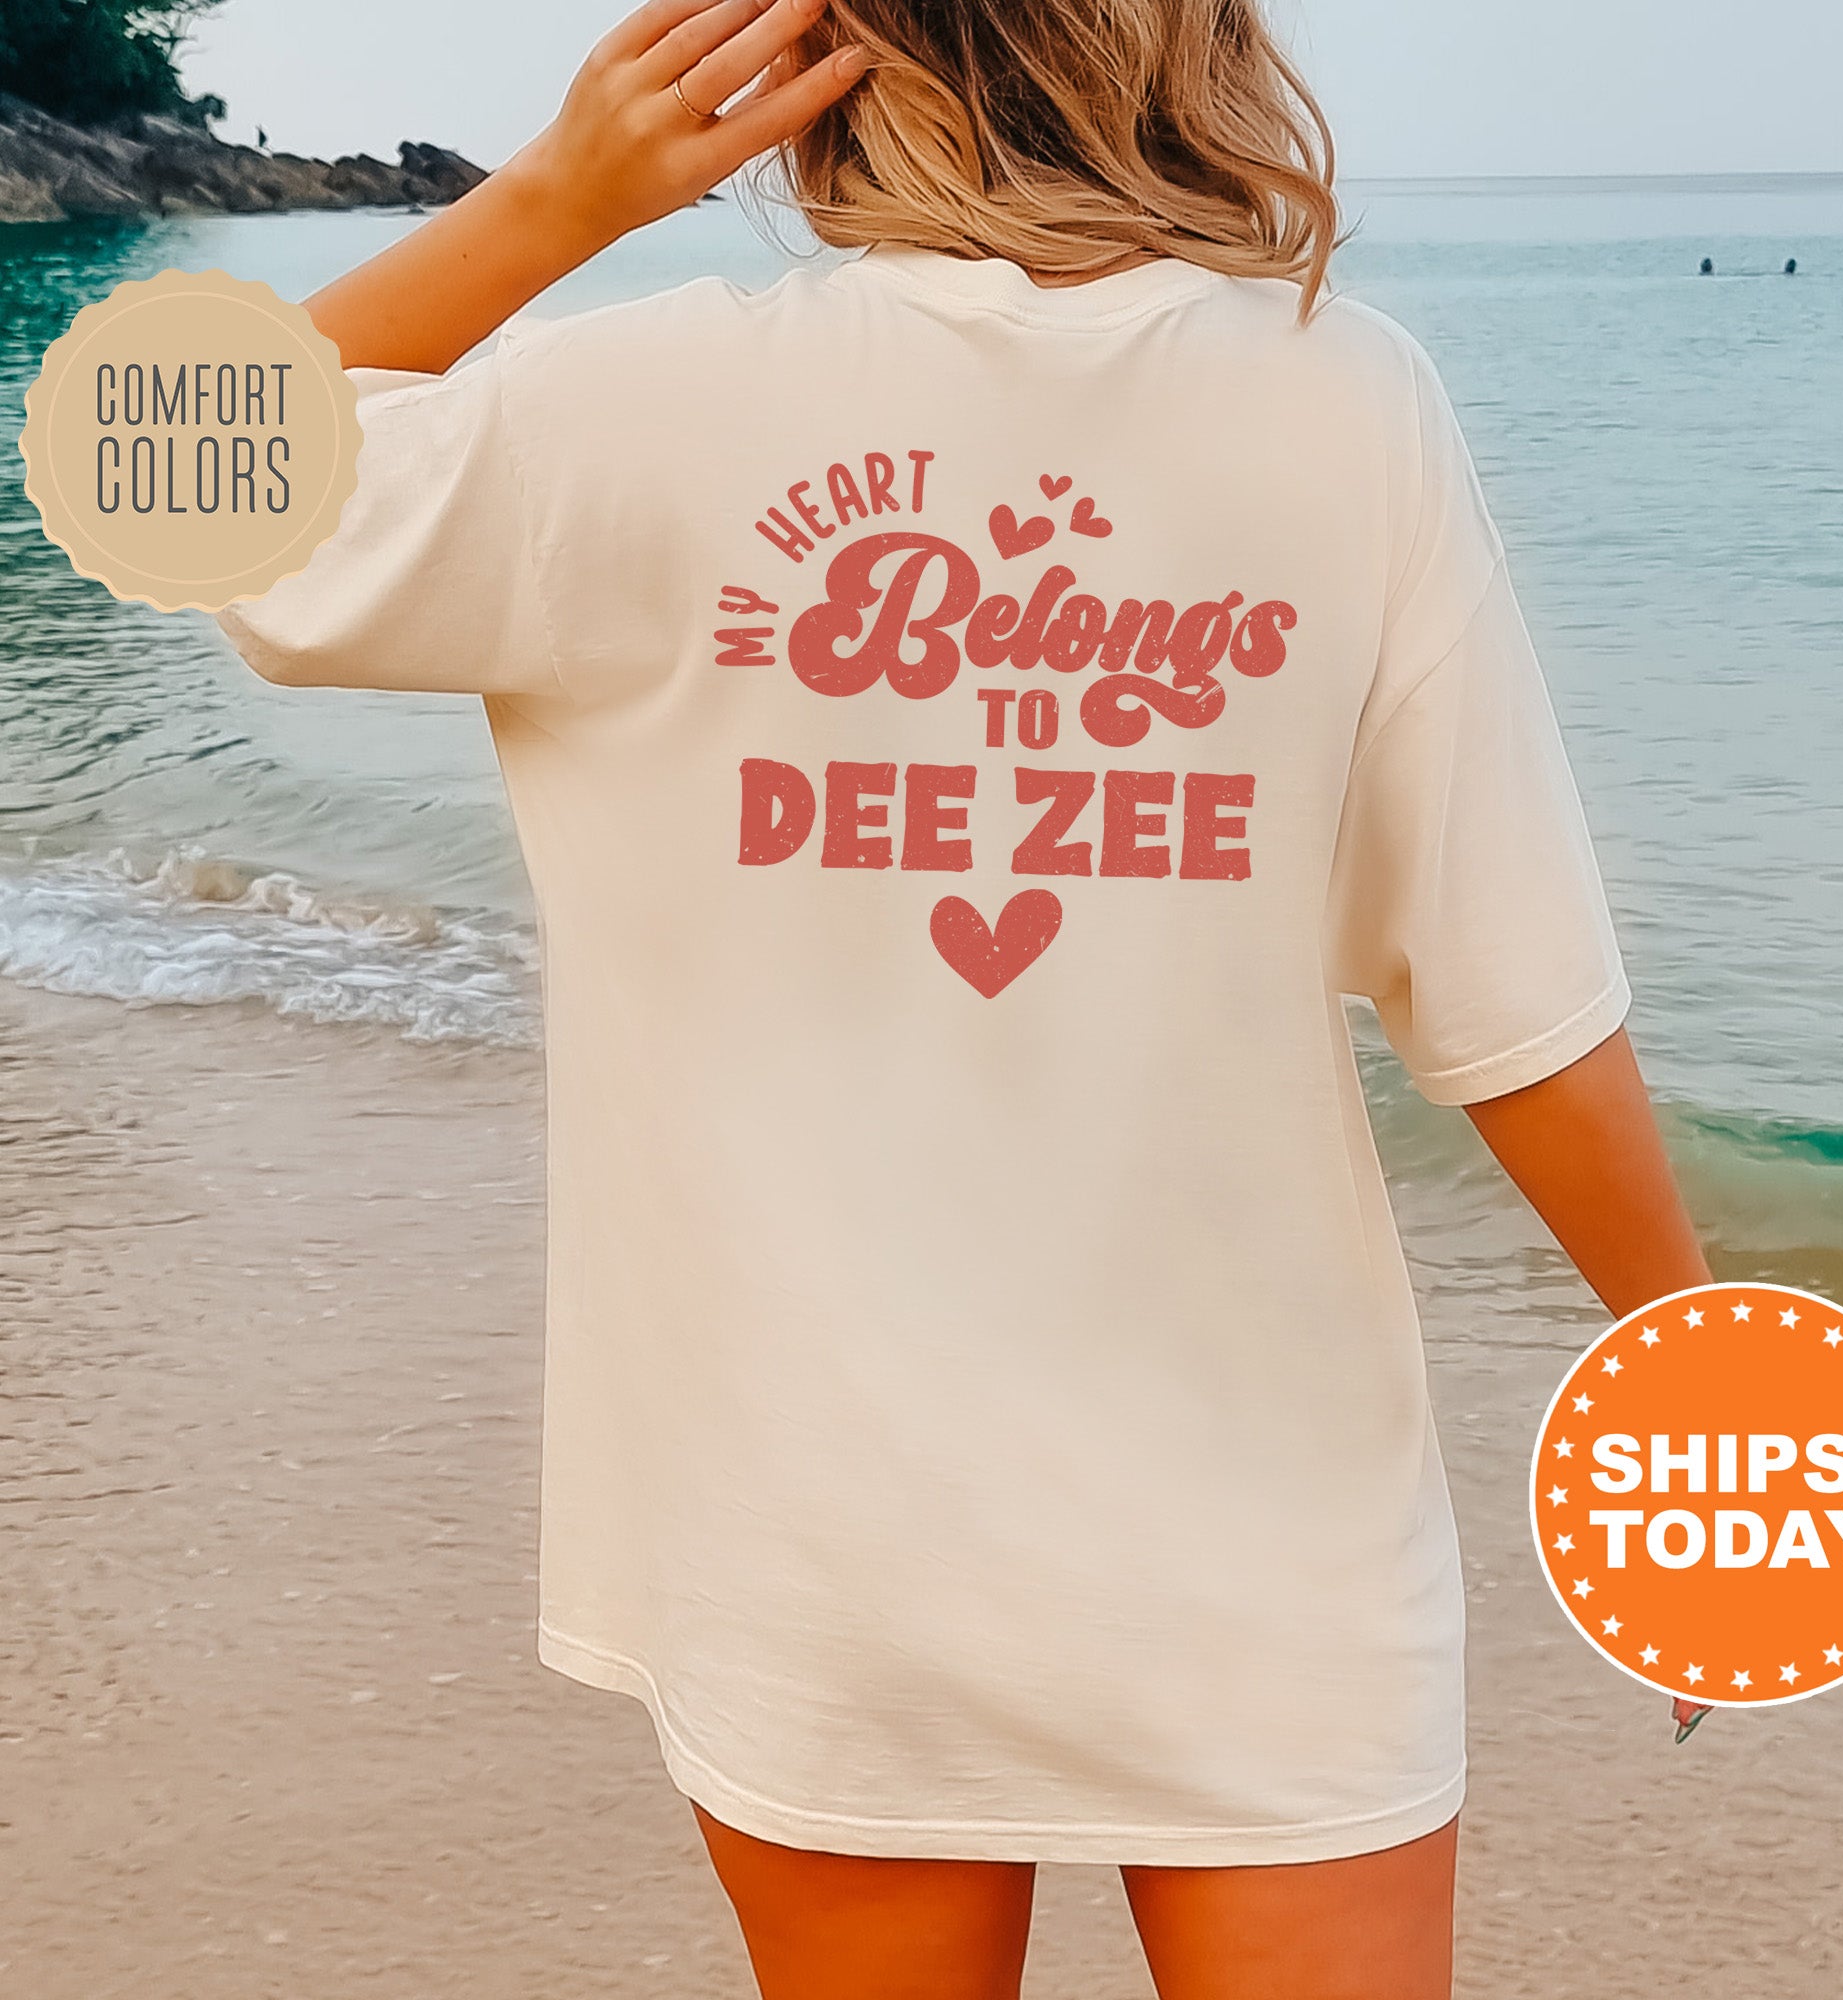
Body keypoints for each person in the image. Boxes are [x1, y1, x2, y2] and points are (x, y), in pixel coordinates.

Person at [214, 1, 1711, 1993]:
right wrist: (1699, 1398)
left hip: (818, 1538)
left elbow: (155, 464)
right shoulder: (1344, 402)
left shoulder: (642, 406)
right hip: (1265, 1551)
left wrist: (554, 200)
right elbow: (1507, 990)